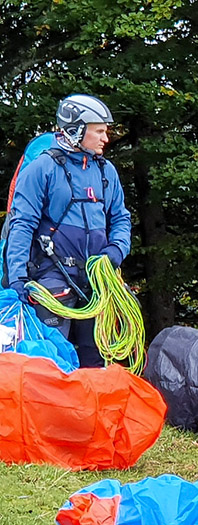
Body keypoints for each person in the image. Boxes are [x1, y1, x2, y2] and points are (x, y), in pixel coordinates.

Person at [3, 94, 132, 367]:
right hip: (52, 281)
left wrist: (115, 251)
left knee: (96, 363)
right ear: (76, 130)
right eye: (99, 131)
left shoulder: (106, 171)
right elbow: (22, 224)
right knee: (51, 362)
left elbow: (120, 218)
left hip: (97, 283)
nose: (105, 139)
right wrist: (17, 278)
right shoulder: (43, 169)